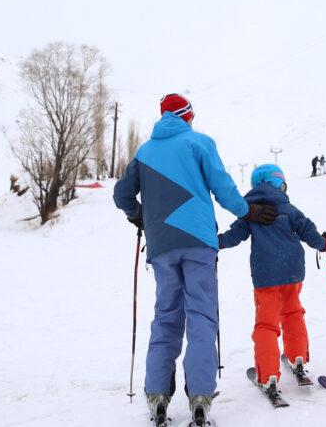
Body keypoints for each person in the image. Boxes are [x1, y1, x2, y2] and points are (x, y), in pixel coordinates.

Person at [113, 93, 278, 425]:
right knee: (201, 315)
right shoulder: (199, 142)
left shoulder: (144, 152)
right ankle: (200, 395)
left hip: (161, 246)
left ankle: (157, 393)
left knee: (166, 316)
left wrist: (138, 215)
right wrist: (250, 211)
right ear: (187, 116)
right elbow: (224, 189)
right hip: (199, 243)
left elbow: (121, 195)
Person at [218, 164, 326, 395]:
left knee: (267, 324)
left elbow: (233, 236)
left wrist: (215, 242)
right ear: (279, 184)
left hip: (266, 276)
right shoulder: (288, 208)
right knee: (293, 313)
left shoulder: (249, 211)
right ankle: (298, 357)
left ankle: (268, 374)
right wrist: (325, 244)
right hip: (292, 271)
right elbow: (309, 231)